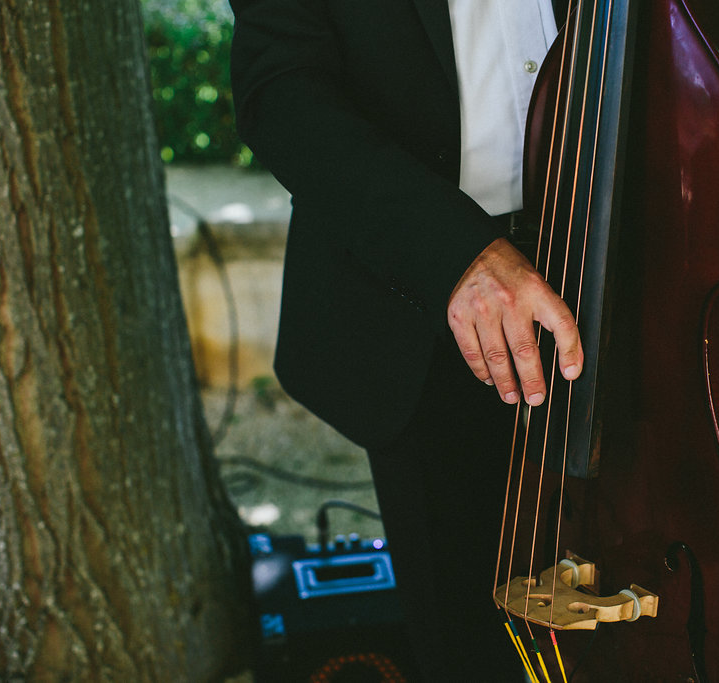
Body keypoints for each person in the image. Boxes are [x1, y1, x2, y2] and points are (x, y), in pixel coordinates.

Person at [229, 1, 581, 679]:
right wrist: (454, 255)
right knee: (472, 636)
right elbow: (280, 92)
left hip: (624, 250)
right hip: (426, 287)